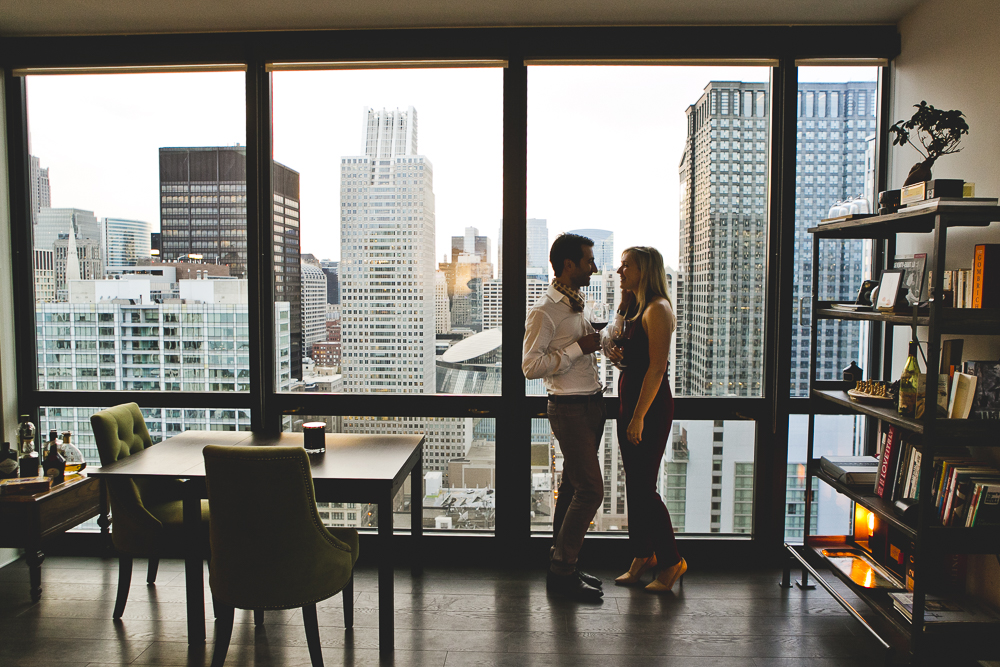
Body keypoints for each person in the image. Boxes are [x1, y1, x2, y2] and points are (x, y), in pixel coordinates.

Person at [522, 233, 605, 602]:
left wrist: (601, 339)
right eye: (588, 260)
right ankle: (561, 572)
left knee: (572, 488)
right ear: (568, 265)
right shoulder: (544, 310)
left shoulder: (575, 303)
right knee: (591, 491)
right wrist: (576, 348)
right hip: (569, 408)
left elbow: (582, 347)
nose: (594, 267)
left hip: (591, 404)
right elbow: (529, 367)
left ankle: (565, 564)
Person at [604, 246, 686, 592]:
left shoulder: (658, 309)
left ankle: (671, 562)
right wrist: (618, 350)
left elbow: (656, 368)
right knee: (634, 485)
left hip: (648, 408)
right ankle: (642, 555)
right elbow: (623, 348)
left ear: (645, 270)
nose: (620, 271)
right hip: (630, 401)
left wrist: (637, 417)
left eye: (626, 267)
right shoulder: (637, 307)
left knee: (644, 488)